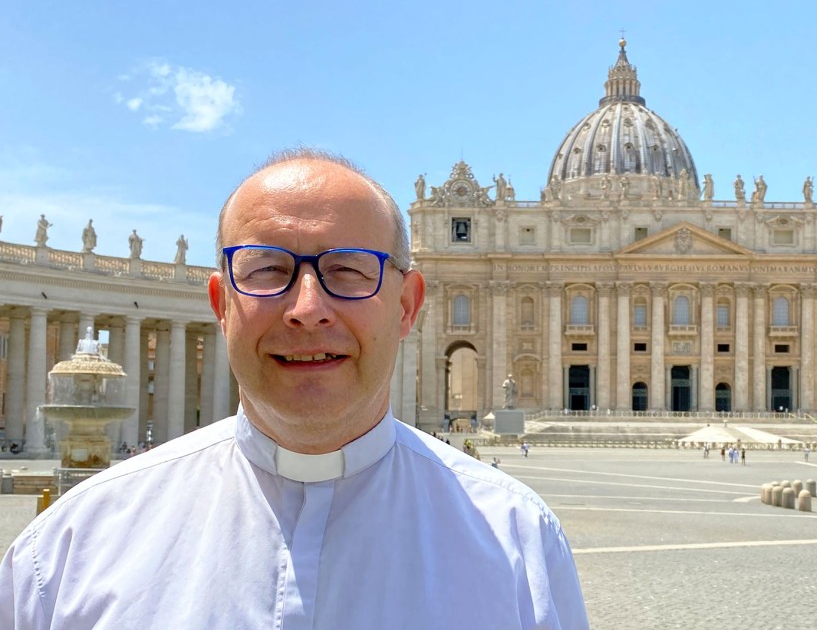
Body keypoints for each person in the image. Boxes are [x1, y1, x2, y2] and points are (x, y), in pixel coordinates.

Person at [0, 148, 588, 628]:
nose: (308, 310)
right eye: (267, 271)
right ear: (221, 306)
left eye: (349, 271)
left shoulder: (522, 539)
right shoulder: (64, 549)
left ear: (407, 307)